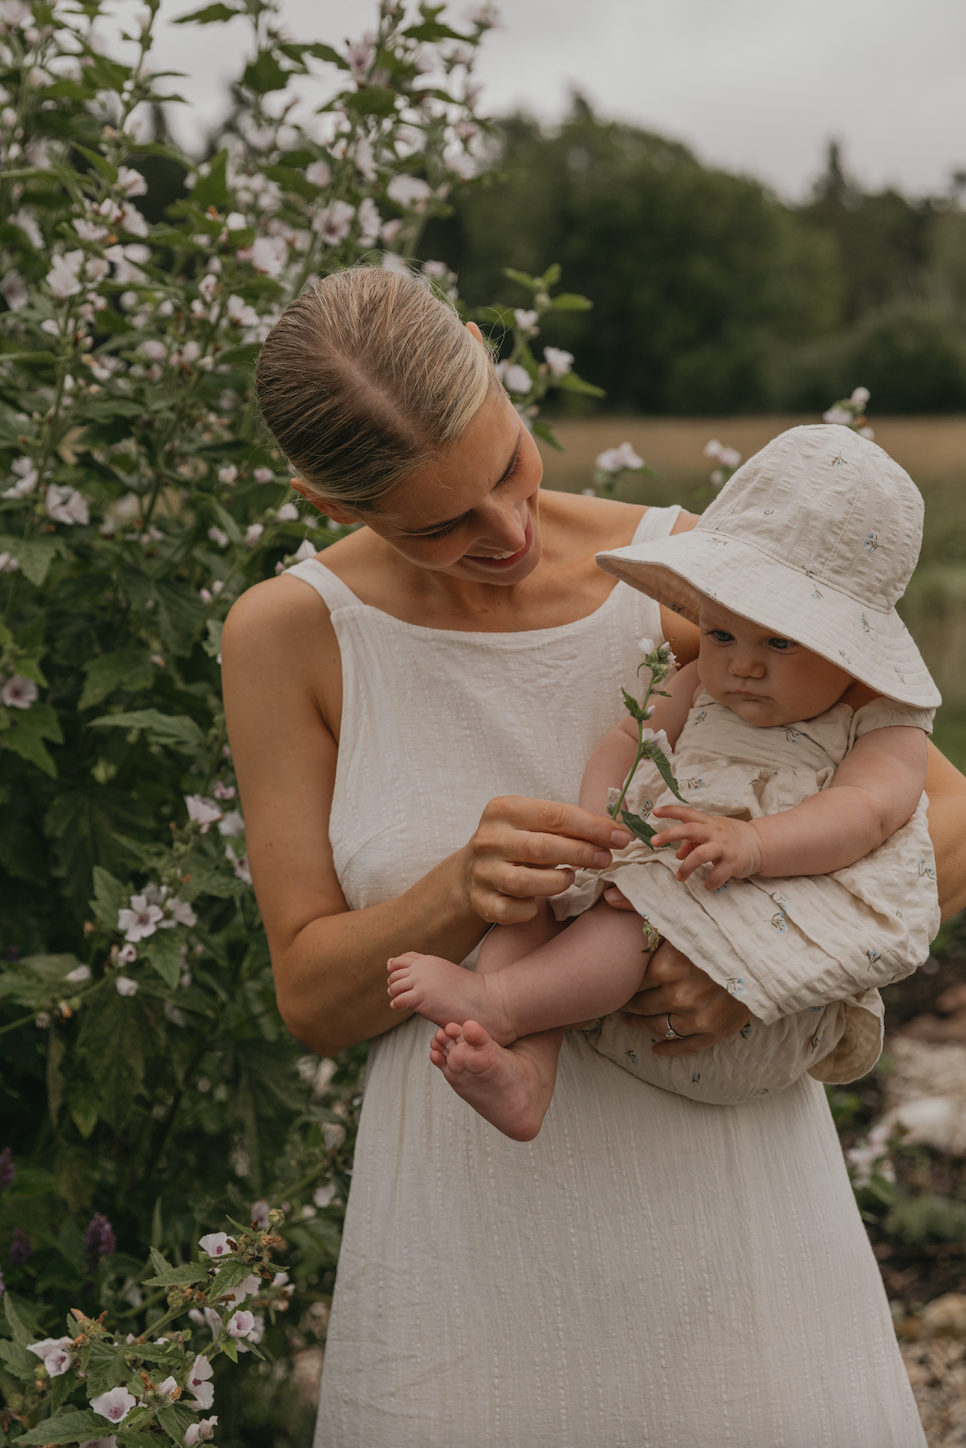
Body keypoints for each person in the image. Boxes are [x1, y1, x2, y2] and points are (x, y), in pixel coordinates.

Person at [222, 266, 966, 1446]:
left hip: (736, 1232)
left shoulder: (694, 576)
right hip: (463, 1266)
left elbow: (944, 822)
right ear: (326, 501)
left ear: (489, 359)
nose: (506, 532)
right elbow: (312, 996)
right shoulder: (288, 636)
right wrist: (453, 894)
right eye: (439, 523)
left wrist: (750, 961)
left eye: (508, 465)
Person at [386, 425, 940, 1139]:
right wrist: (598, 823)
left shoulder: (878, 720)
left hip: (755, 979)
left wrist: (755, 843)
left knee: (635, 916)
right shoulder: (697, 686)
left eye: (779, 641)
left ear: (850, 648)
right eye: (721, 635)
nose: (742, 664)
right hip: (661, 875)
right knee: (538, 894)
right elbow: (628, 739)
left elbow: (867, 812)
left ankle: (501, 1001)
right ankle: (530, 1070)